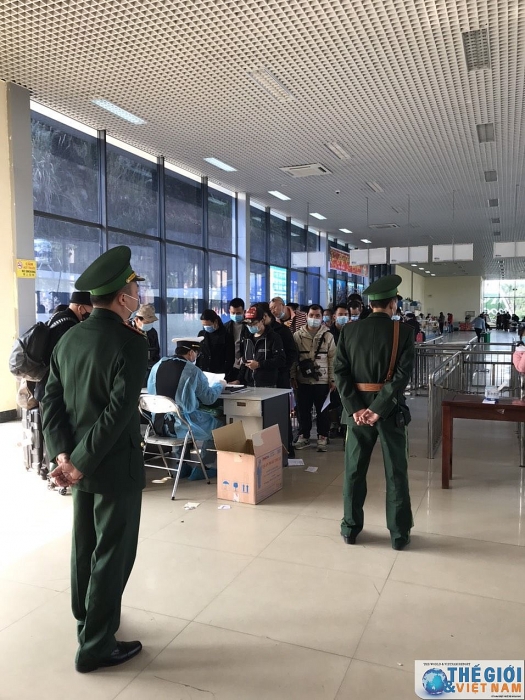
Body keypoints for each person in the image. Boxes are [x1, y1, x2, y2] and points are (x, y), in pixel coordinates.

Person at [41, 246, 149, 673]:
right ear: (123, 297)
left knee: (84, 547)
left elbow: (50, 401)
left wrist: (64, 456)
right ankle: (96, 647)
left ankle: (87, 620)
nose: (139, 294)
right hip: (113, 466)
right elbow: (118, 414)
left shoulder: (69, 338)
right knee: (112, 554)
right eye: (135, 288)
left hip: (75, 465)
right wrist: (81, 461)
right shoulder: (130, 343)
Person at [334, 273, 414, 551]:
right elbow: (401, 377)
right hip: (390, 412)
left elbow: (340, 373)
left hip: (356, 413)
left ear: (370, 304)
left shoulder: (348, 331)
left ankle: (350, 528)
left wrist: (356, 407)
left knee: (354, 470)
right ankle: (399, 534)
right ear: (393, 303)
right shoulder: (403, 332)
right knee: (396, 472)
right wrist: (378, 408)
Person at [148, 339, 226, 471]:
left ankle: (182, 466)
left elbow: (152, 392)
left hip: (158, 425)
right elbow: (208, 399)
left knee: (180, 416)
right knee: (218, 427)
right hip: (181, 426)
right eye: (197, 354)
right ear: (191, 353)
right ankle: (204, 467)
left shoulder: (157, 365)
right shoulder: (192, 370)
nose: (196, 357)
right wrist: (220, 385)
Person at [291, 304, 336, 452]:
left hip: (322, 380)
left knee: (323, 410)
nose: (314, 318)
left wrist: (332, 379)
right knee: (303, 410)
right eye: (311, 315)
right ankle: (304, 436)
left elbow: (332, 359)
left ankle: (322, 436)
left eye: (317, 316)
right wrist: (292, 376)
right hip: (302, 379)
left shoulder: (328, 336)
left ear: (322, 317)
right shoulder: (297, 335)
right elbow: (293, 359)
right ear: (306, 316)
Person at [260, 302, 298, 458]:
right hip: (261, 381)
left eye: (261, 317)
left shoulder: (282, 331)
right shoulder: (255, 333)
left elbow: (292, 354)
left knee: (281, 414)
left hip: (280, 379)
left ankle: (286, 447)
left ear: (267, 316)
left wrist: (282, 369)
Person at [235, 304, 286, 387]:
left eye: (254, 323)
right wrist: (239, 380)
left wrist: (259, 364)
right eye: (248, 324)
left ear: (262, 320)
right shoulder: (247, 338)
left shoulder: (273, 337)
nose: (251, 326)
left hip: (268, 384)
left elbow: (280, 360)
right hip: (250, 384)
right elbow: (245, 362)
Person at [197, 309, 235, 380]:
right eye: (204, 325)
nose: (206, 327)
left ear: (215, 321)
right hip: (203, 372)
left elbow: (230, 359)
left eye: (208, 325)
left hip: (219, 373)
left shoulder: (226, 336)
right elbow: (198, 354)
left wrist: (224, 375)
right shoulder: (201, 334)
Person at [223, 297, 250, 382]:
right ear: (229, 311)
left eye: (238, 313)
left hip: (244, 365)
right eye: (233, 313)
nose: (235, 315)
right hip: (229, 365)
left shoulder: (249, 327)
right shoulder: (225, 327)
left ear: (244, 312)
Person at [131, 303, 161, 375]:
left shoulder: (152, 332)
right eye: (147, 322)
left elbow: (156, 353)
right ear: (136, 319)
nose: (149, 324)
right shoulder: (127, 331)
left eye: (151, 322)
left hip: (149, 369)